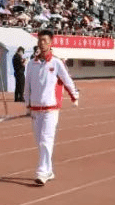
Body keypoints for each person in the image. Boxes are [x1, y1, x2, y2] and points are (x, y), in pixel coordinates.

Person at [24, 29, 79, 186]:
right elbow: (27, 86)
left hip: (50, 109)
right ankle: (48, 170)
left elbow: (67, 80)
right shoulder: (31, 64)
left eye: (45, 40)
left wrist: (74, 96)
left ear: (51, 43)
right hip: (35, 109)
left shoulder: (56, 63)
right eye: (40, 40)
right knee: (39, 141)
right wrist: (27, 104)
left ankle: (42, 172)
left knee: (45, 140)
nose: (42, 43)